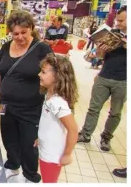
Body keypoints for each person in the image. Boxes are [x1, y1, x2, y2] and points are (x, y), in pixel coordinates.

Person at [0, 10, 52, 183]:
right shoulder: (5, 46)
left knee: (29, 144)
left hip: (31, 107)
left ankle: (30, 175)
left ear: (31, 28)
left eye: (23, 32)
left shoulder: (42, 48)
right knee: (9, 138)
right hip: (6, 105)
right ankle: (13, 165)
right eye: (15, 33)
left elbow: (53, 74)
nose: (19, 37)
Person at [77, 6, 127, 152]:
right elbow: (99, 56)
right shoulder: (112, 33)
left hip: (123, 81)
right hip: (104, 76)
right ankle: (85, 134)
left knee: (115, 112)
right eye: (117, 20)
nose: (117, 23)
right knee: (94, 108)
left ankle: (106, 137)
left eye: (121, 20)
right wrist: (100, 49)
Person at [34, 53, 79, 183]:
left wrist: (67, 154)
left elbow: (73, 129)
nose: (39, 75)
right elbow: (49, 123)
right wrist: (41, 137)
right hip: (46, 148)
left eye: (43, 72)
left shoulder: (57, 102)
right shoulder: (49, 94)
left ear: (57, 76)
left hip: (52, 155)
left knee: (49, 181)